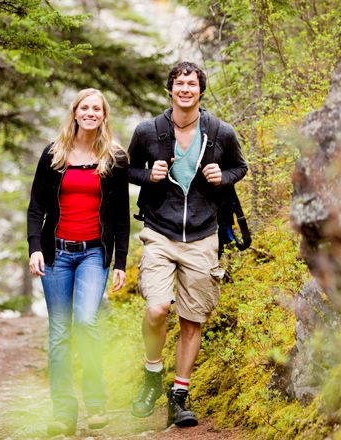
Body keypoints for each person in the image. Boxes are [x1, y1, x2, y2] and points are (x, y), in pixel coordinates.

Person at [127, 61, 247, 427]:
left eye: (191, 84)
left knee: (192, 319)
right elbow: (127, 169)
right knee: (157, 309)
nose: (185, 89)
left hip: (203, 235)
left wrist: (221, 177)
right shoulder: (149, 130)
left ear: (200, 90)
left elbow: (240, 167)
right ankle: (152, 374)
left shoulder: (220, 131)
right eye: (179, 83)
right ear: (170, 89)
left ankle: (179, 393)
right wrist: (148, 176)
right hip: (159, 233)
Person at [27, 88, 130, 436]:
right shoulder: (54, 155)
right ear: (74, 113)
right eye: (84, 107)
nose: (90, 113)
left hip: (93, 254)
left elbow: (120, 217)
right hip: (56, 253)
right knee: (59, 333)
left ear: (104, 115)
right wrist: (34, 247)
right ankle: (63, 413)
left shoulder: (114, 158)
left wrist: (120, 262)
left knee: (86, 323)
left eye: (96, 108)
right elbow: (36, 207)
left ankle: (97, 404)